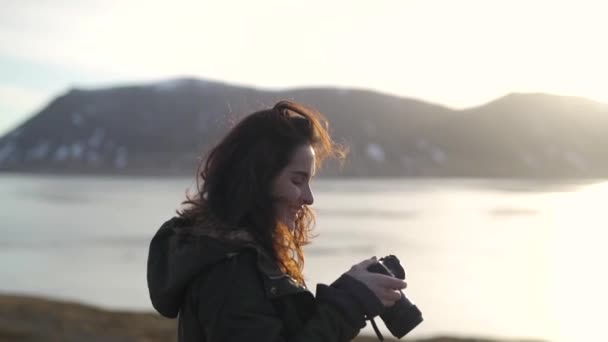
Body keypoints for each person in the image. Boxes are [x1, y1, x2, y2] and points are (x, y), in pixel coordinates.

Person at [147, 100, 409, 341]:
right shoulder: (229, 272)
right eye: (297, 180)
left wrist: (346, 292)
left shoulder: (240, 253)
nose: (308, 198)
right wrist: (349, 304)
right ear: (257, 180)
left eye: (309, 181)